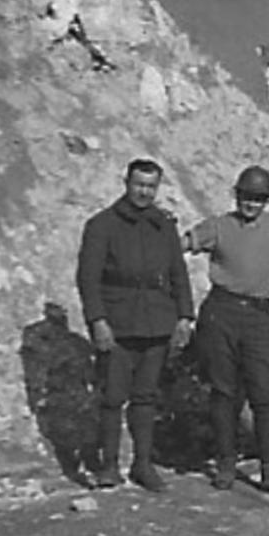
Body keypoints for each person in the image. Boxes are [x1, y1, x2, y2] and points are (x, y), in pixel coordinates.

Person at [75, 158, 194, 491]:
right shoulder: (102, 225)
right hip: (118, 324)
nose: (144, 192)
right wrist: (98, 321)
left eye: (150, 187)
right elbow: (88, 279)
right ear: (126, 183)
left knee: (146, 397)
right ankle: (109, 466)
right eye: (139, 184)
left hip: (156, 322)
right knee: (113, 397)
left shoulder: (163, 226)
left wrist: (185, 316)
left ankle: (143, 464)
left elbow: (178, 273)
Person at [184, 164, 269, 501]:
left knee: (265, 394)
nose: (251, 203)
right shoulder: (219, 226)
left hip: (260, 317)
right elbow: (183, 244)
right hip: (222, 312)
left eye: (258, 198)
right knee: (224, 392)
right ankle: (226, 464)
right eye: (246, 196)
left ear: (267, 200)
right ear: (237, 195)